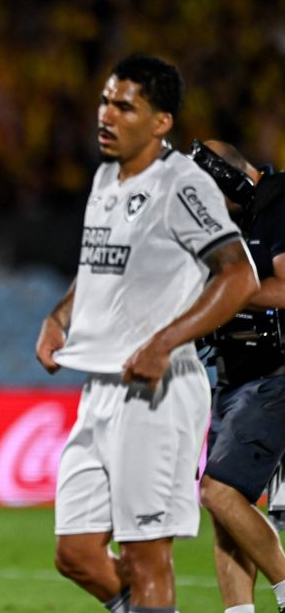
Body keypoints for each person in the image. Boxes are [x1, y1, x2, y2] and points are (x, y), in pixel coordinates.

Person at [34, 54, 259, 613]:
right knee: (76, 554)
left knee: (146, 557)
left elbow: (239, 275)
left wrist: (164, 343)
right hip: (102, 388)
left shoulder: (183, 185)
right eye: (106, 100)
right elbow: (98, 267)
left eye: (124, 105)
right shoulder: (106, 175)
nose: (106, 114)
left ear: (161, 122)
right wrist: (59, 317)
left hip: (158, 393)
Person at [190, 139, 285, 613]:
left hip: (277, 373)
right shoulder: (233, 218)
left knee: (219, 491)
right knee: (224, 506)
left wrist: (222, 291)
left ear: (231, 179)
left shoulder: (280, 202)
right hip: (234, 371)